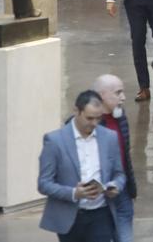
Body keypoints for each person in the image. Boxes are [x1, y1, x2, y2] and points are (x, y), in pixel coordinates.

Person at [38, 90, 126, 242]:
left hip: (101, 214)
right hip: (70, 218)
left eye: (98, 118)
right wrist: (74, 193)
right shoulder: (54, 141)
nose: (94, 123)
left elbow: (120, 174)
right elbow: (44, 184)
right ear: (76, 111)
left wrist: (114, 186)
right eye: (89, 118)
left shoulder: (109, 138)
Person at [91, 75, 136, 242]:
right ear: (102, 95)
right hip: (99, 195)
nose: (123, 97)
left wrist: (129, 188)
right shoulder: (87, 123)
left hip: (121, 190)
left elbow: (126, 155)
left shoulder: (120, 116)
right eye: (118, 93)